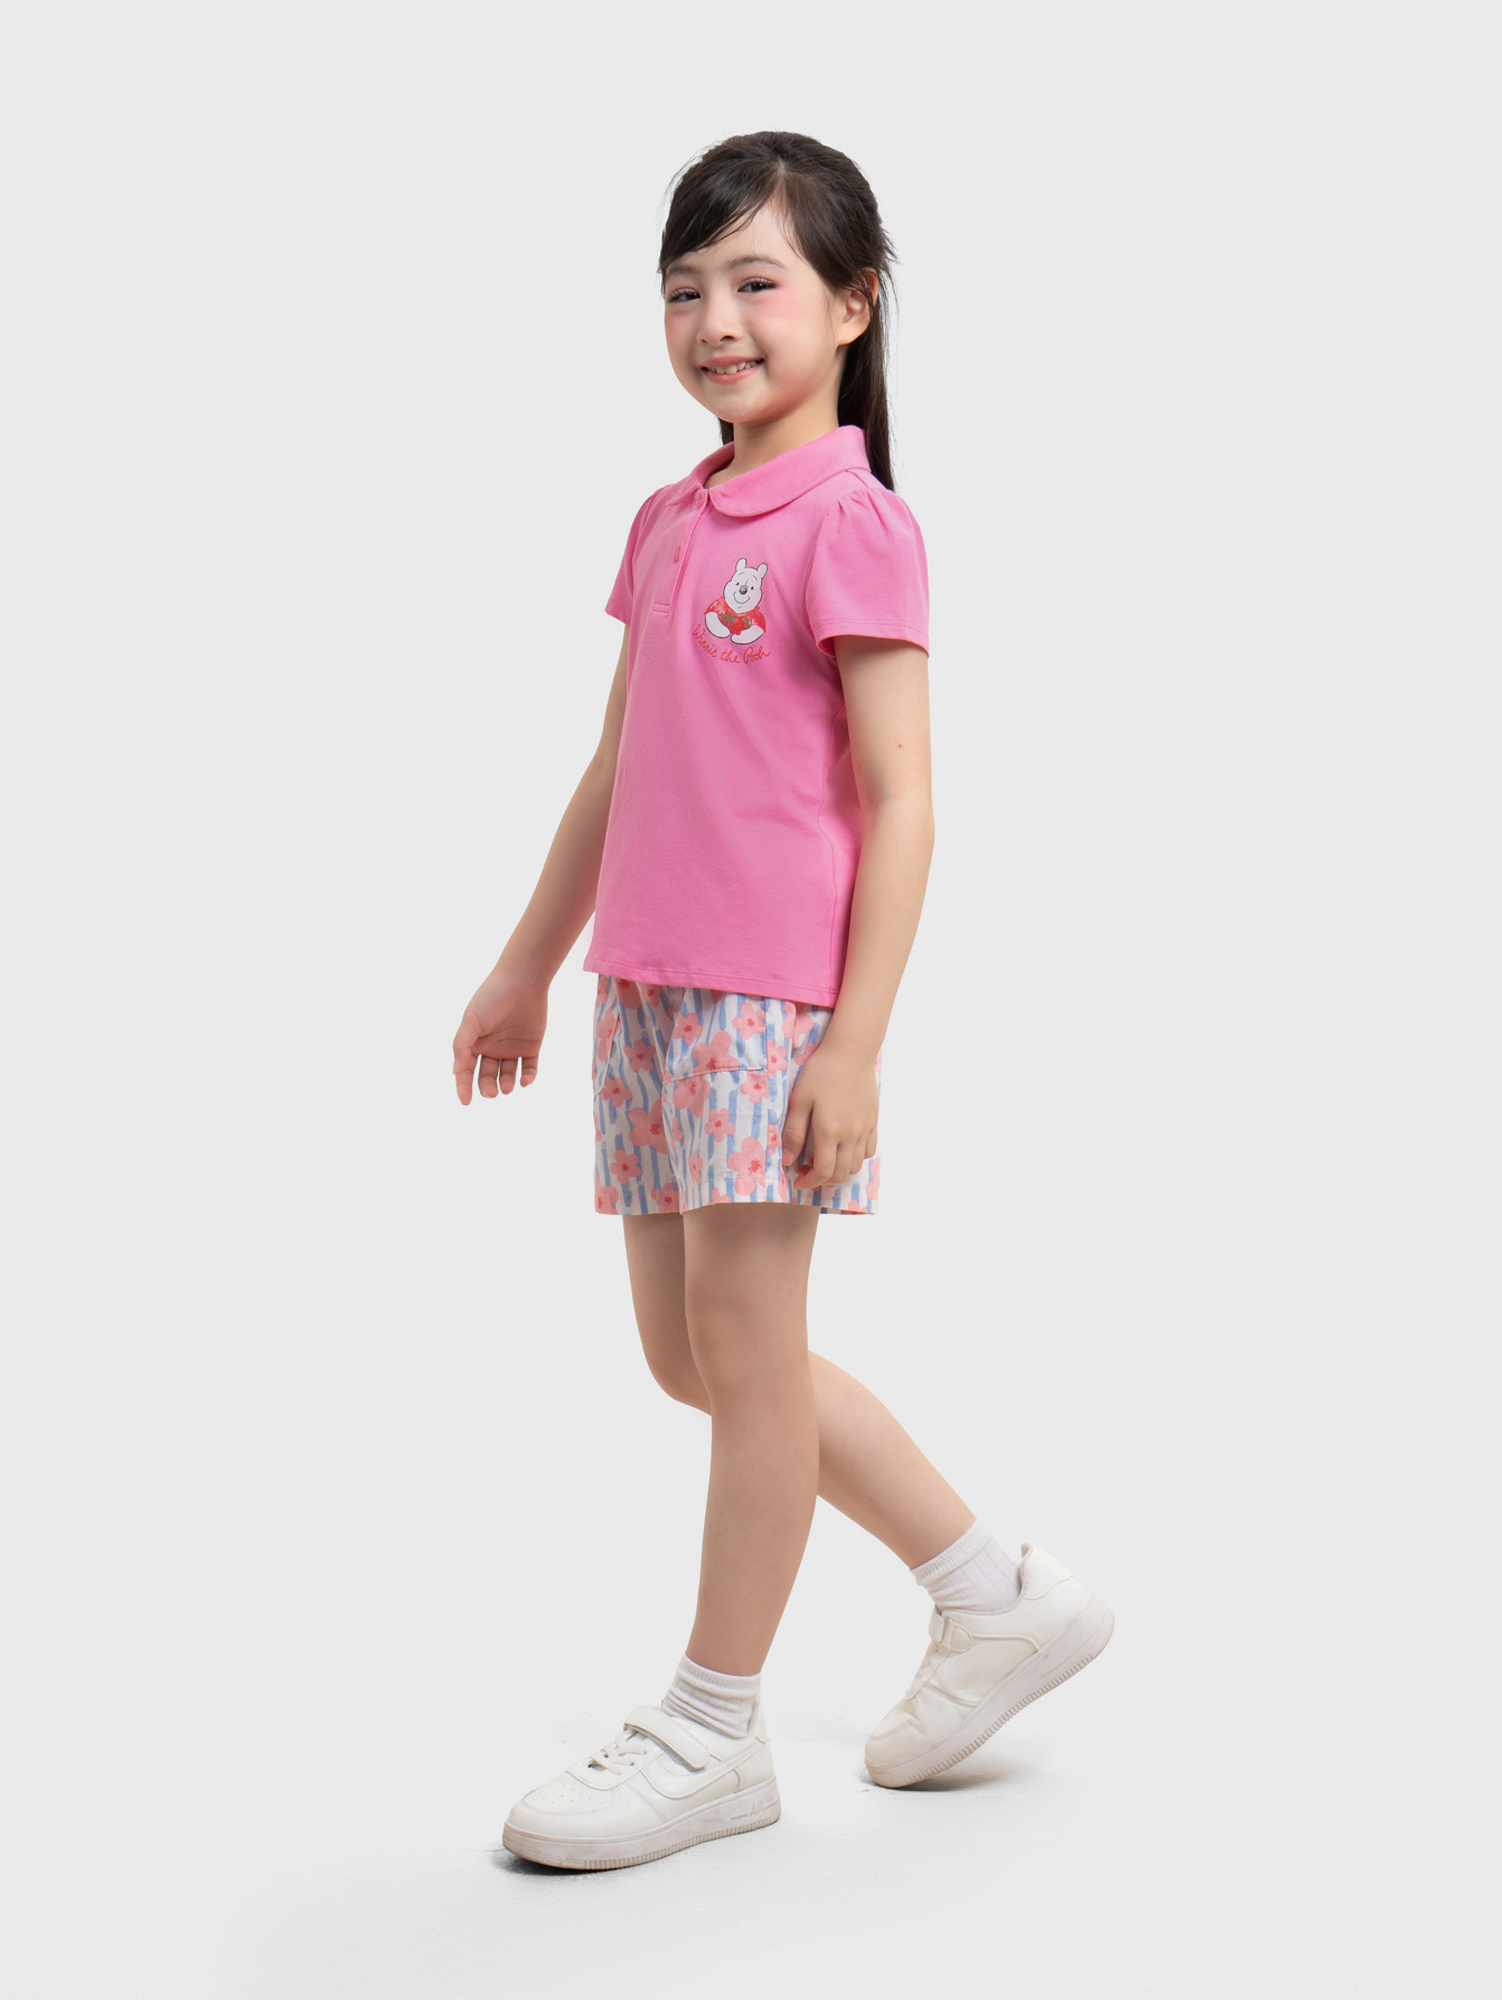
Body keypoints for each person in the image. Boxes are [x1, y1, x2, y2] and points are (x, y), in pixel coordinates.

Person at [451, 131, 1113, 1872]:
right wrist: (527, 960)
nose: (716, 320)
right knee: (696, 1360)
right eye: (685, 288)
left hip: (770, 1006)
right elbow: (618, 766)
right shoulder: (671, 518)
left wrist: (856, 1041)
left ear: (852, 304)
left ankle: (712, 1728)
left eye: (757, 282)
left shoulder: (854, 522)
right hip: (648, 991)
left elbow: (905, 800)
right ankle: (992, 1591)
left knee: (744, 1361)